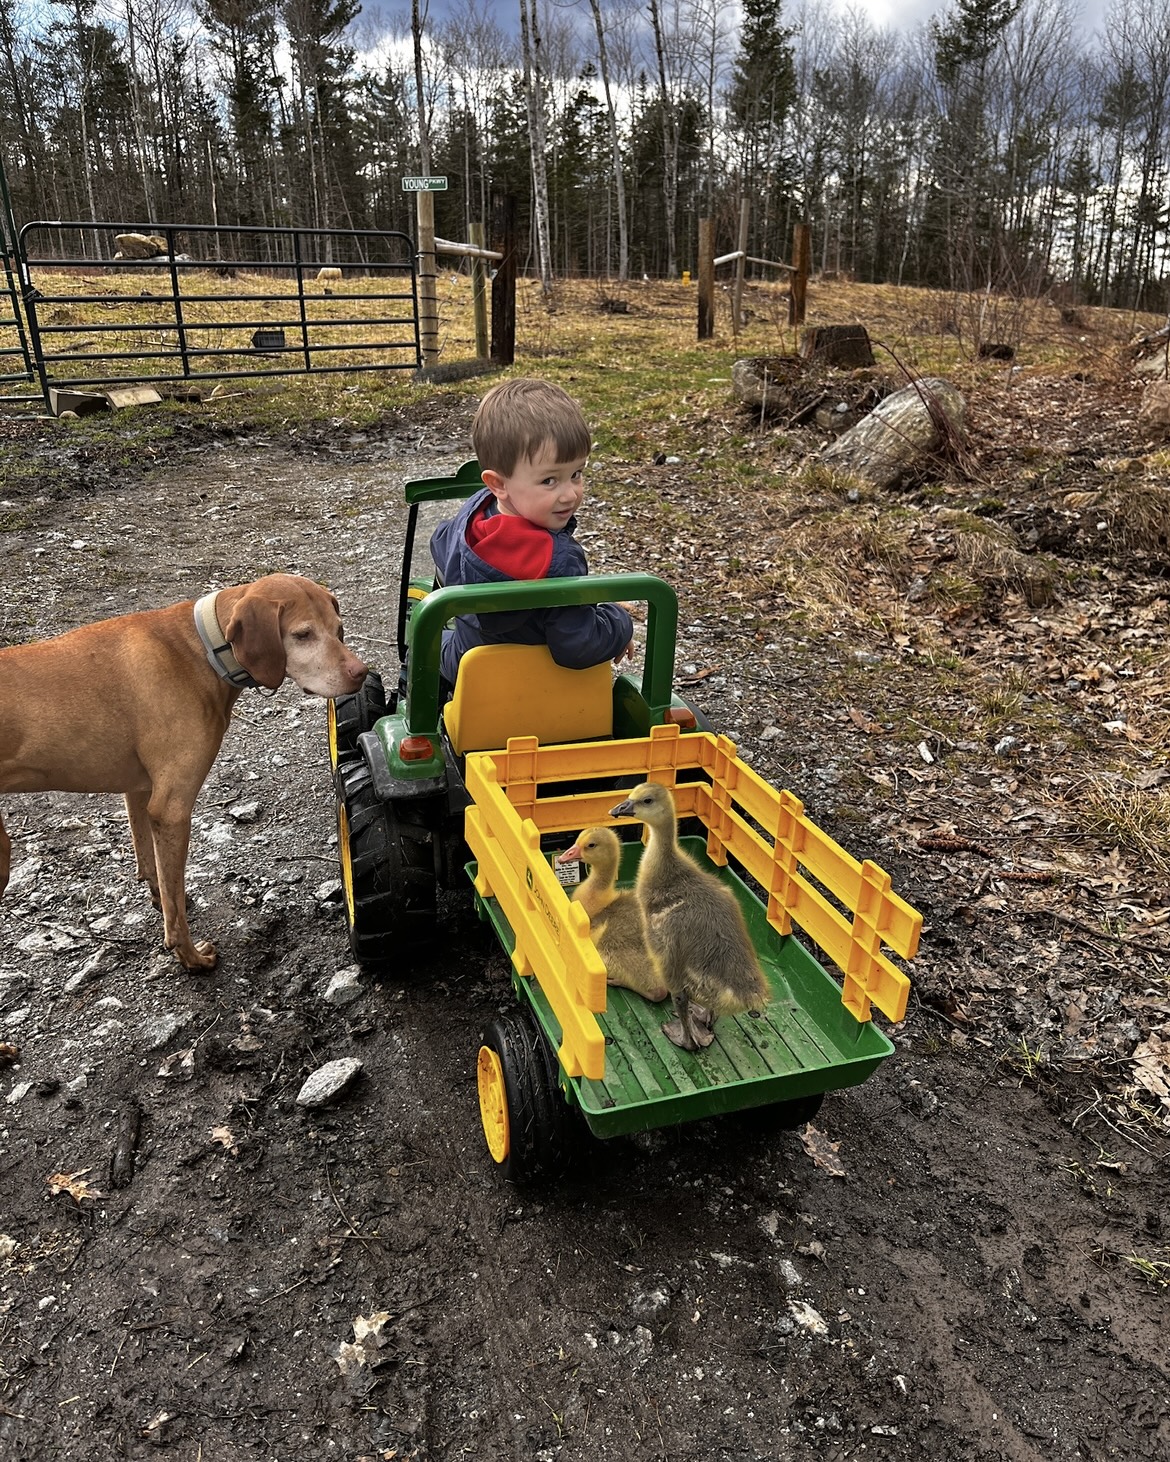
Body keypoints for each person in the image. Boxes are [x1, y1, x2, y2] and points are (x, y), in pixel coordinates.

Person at [429, 377, 635, 686]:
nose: (569, 494)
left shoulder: (474, 513)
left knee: (425, 641)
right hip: (533, 684)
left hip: (469, 665)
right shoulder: (559, 560)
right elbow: (578, 647)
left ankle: (414, 690)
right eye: (549, 480)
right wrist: (619, 623)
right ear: (498, 483)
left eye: (576, 474)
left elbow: (440, 541)